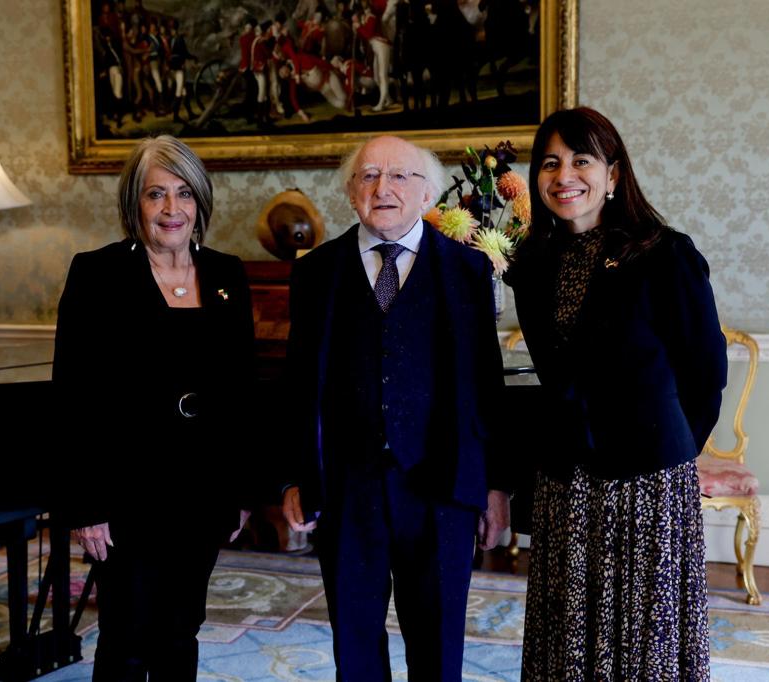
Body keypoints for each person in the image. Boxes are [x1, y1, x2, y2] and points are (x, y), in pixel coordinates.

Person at [504, 106, 726, 680]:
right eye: (550, 163)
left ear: (613, 175)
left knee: (642, 641)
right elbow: (557, 372)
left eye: (582, 160)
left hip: (647, 481)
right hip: (566, 479)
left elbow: (705, 372)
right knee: (569, 637)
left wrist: (668, 451)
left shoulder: (664, 254)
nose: (564, 176)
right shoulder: (531, 264)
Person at [281, 135, 511, 680]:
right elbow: (298, 385)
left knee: (436, 644)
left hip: (441, 487)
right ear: (350, 191)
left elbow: (485, 387)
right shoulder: (315, 273)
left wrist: (495, 485)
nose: (383, 188)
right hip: (346, 488)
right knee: (354, 643)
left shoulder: (467, 271)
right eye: (368, 176)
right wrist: (293, 475)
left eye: (400, 177)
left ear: (428, 192)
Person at [53, 135, 255, 680]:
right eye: (155, 194)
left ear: (201, 202)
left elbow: (242, 393)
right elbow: (74, 397)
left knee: (181, 627)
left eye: (185, 194)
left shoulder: (227, 275)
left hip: (203, 489)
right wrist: (85, 504)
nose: (172, 209)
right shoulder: (97, 275)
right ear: (133, 204)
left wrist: (240, 492)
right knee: (127, 634)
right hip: (126, 493)